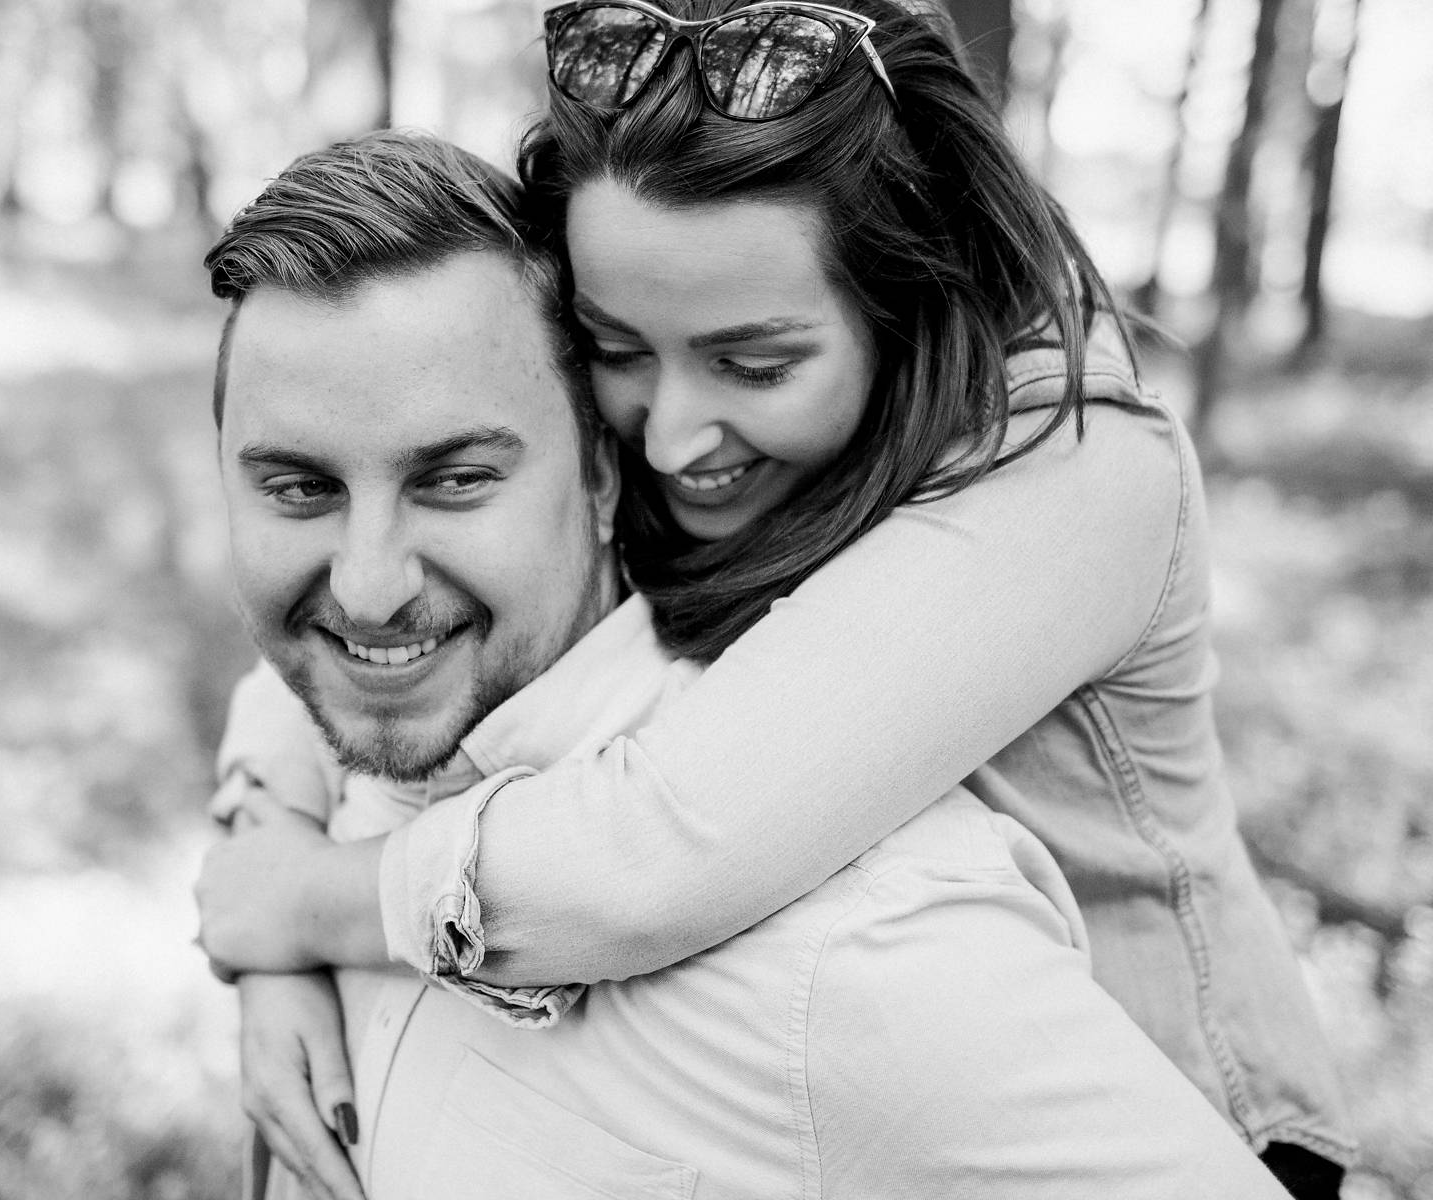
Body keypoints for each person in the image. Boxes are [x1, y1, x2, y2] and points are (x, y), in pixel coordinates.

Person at [199, 1, 1353, 1196]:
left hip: (1159, 1105)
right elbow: (370, 617)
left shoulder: (1080, 475)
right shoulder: (684, 442)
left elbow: (655, 851)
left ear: (899, 300)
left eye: (754, 363)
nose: (667, 435)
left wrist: (304, 911)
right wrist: (269, 832)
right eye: (616, 347)